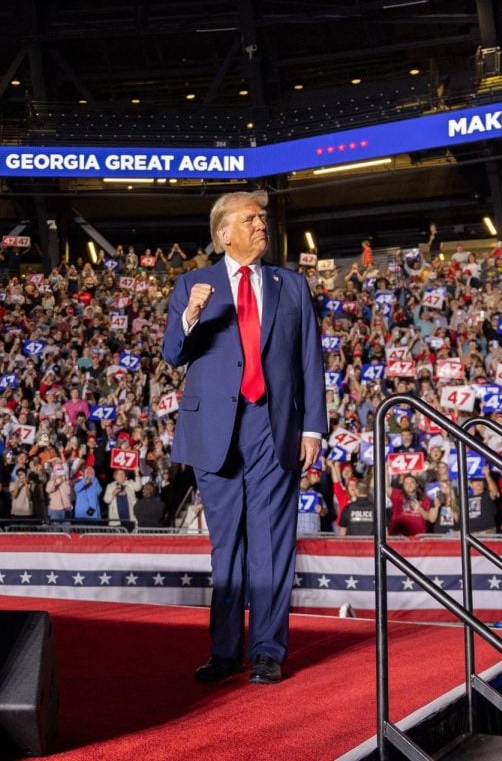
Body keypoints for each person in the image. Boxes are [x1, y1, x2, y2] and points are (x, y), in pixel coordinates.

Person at [162, 190, 326, 686]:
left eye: (263, 218)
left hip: (273, 427)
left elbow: (309, 361)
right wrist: (191, 314)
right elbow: (174, 354)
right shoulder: (193, 284)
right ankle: (225, 650)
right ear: (223, 233)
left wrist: (313, 426)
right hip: (213, 430)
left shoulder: (292, 286)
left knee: (272, 544)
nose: (261, 225)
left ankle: (268, 650)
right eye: (251, 218)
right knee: (225, 546)